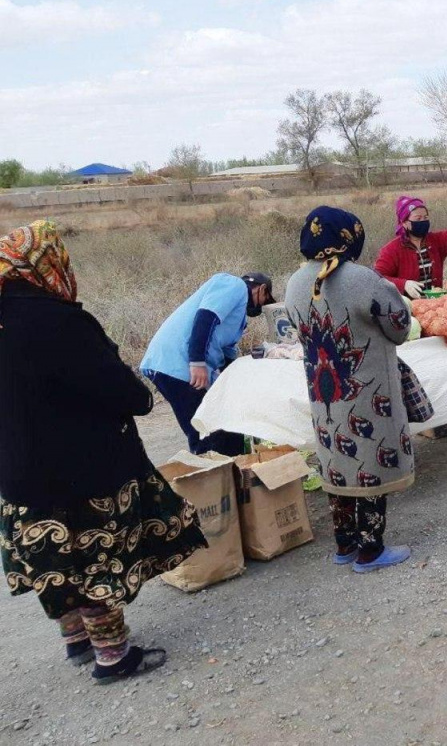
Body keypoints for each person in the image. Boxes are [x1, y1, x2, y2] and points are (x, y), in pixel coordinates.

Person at [0, 221, 207, 683]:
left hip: (18, 473)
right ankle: (112, 655)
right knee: (93, 561)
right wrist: (139, 398)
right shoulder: (57, 320)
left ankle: (76, 639)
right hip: (81, 471)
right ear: (46, 263)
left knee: (54, 562)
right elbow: (115, 389)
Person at [286, 206, 414, 573]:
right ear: (349, 236)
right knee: (371, 459)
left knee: (337, 460)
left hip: (325, 392)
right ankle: (371, 551)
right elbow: (400, 327)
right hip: (366, 387)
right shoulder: (363, 279)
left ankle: (344, 544)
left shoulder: (295, 282)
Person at [141, 271, 275, 455]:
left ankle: (237, 476)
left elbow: (227, 353)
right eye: (265, 300)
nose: (261, 306)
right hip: (177, 363)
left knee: (223, 426)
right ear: (262, 289)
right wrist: (197, 362)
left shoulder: (238, 318)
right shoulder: (234, 286)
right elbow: (206, 317)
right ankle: (212, 478)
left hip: (181, 365)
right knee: (207, 432)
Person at [375, 196, 447, 298]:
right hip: (406, 307)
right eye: (418, 218)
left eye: (425, 217)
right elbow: (377, 278)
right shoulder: (392, 250)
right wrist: (403, 284)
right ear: (405, 223)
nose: (423, 221)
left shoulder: (436, 241)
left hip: (435, 305)